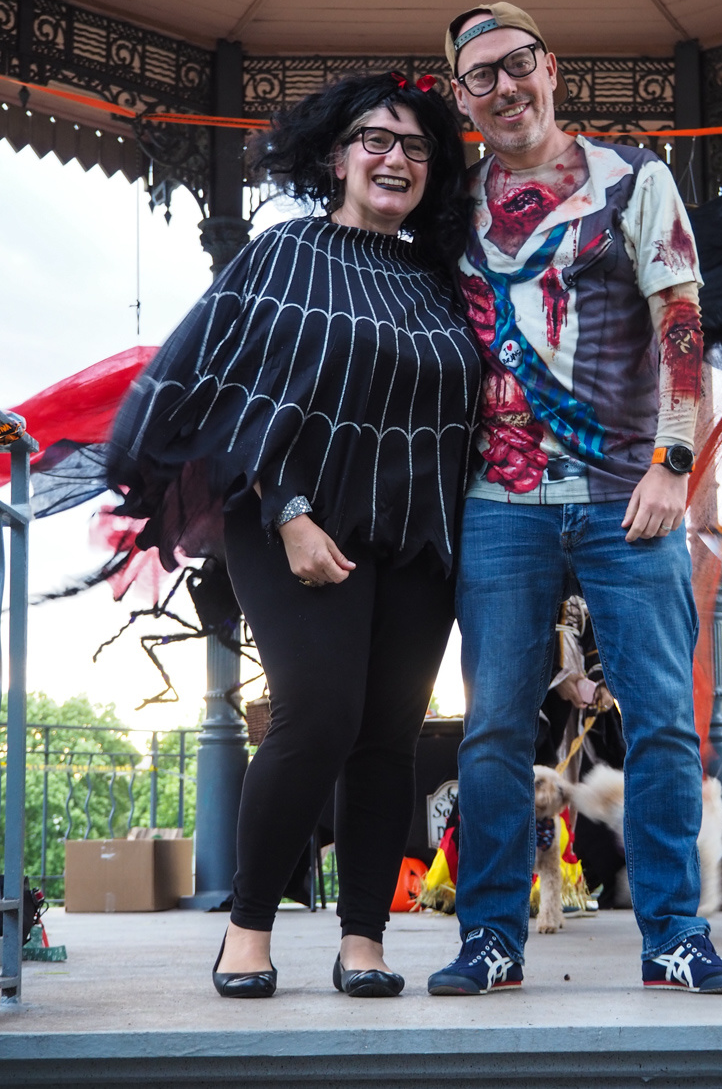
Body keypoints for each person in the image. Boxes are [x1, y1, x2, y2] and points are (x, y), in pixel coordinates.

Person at [106, 72, 481, 997]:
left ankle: (364, 941)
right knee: (317, 715)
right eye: (375, 140)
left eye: (416, 147)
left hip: (418, 535)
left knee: (390, 735)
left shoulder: (445, 280)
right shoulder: (285, 252)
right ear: (335, 155)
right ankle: (247, 927)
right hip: (295, 518)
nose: (394, 158)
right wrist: (288, 512)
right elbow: (233, 392)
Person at [426, 2, 722, 996]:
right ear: (460, 95)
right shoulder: (453, 202)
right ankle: (490, 936)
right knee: (490, 728)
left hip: (628, 493)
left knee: (659, 717)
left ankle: (672, 936)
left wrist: (674, 462)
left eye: (516, 64)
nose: (502, 87)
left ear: (550, 66)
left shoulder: (634, 179)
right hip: (498, 498)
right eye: (478, 76)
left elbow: (681, 322)